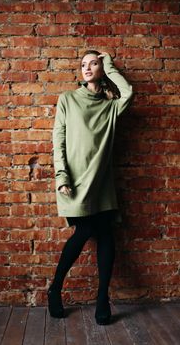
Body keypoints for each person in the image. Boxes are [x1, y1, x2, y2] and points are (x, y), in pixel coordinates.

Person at [48, 50, 133, 325]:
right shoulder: (68, 100)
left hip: (102, 182)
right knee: (84, 231)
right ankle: (55, 289)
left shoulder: (111, 106)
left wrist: (108, 63)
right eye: (83, 64)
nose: (87, 68)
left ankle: (102, 299)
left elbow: (128, 92)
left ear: (101, 69)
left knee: (107, 235)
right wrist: (61, 177)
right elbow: (58, 141)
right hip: (75, 182)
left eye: (93, 63)